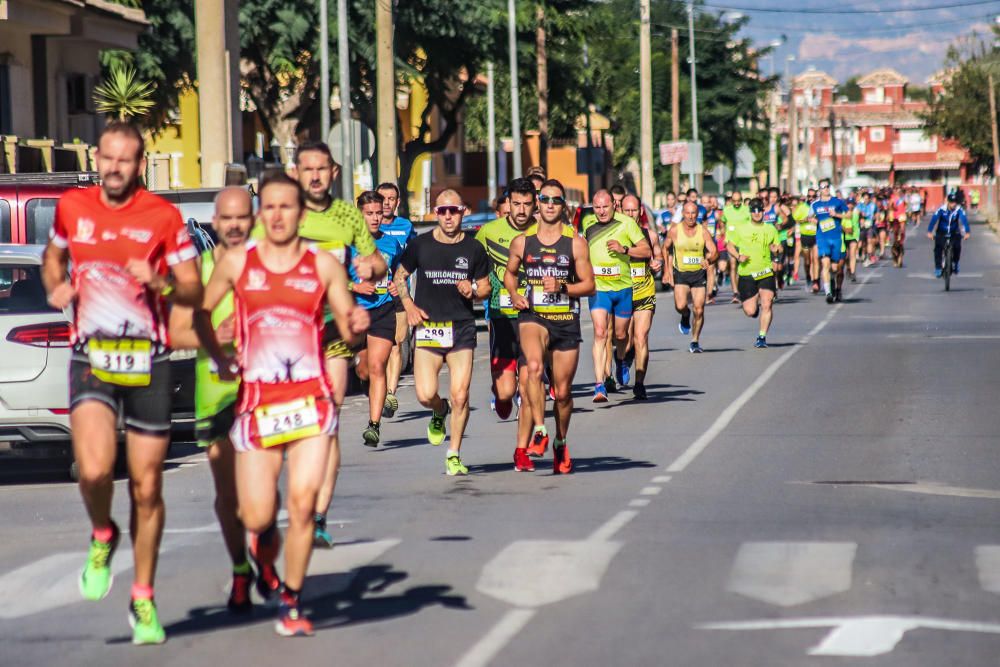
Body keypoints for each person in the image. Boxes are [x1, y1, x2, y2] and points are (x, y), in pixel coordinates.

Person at [42, 121, 203, 644]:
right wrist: (56, 286)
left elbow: (193, 289)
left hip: (148, 361)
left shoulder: (163, 216)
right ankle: (103, 533)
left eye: (125, 160)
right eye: (107, 158)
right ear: (99, 159)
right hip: (91, 354)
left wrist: (155, 280)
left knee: (148, 485)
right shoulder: (73, 206)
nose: (114, 168)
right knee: (92, 470)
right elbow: (53, 257)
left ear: (140, 163)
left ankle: (143, 596)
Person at [196, 172, 368, 637]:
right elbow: (200, 314)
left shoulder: (323, 265)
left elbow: (348, 327)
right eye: (268, 207)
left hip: (310, 402)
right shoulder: (237, 263)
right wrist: (221, 356)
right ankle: (265, 543)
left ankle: (291, 599)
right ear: (260, 214)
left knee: (303, 502)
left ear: (301, 213)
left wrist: (356, 322)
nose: (276, 215)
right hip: (258, 406)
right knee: (256, 514)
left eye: (285, 207)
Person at [168, 187, 275, 615]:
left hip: (265, 391)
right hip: (217, 393)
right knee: (228, 494)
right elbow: (176, 332)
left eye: (241, 217)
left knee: (263, 490)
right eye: (225, 218)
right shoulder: (201, 272)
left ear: (253, 221)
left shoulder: (271, 266)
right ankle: (240, 569)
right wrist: (217, 336)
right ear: (215, 222)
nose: (233, 225)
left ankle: (263, 556)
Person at [278, 141, 387, 548]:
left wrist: (369, 265)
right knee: (292, 426)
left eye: (323, 168)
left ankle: (318, 516)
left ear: (334, 172)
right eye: (308, 169)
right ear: (296, 173)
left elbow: (377, 261)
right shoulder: (282, 213)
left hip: (332, 330)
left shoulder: (346, 216)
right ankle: (298, 498)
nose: (316, 176)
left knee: (327, 422)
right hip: (288, 332)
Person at [393, 190, 491, 475]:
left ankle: (454, 453)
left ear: (464, 211)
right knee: (425, 394)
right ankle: (438, 410)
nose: (448, 216)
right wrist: (409, 305)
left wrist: (472, 290)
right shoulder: (420, 245)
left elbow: (485, 288)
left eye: (454, 210)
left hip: (460, 328)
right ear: (435, 213)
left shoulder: (474, 249)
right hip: (428, 328)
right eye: (442, 211)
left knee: (461, 395)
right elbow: (400, 277)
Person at [506, 179, 595, 473]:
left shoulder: (575, 243)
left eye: (556, 200)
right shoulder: (522, 242)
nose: (549, 204)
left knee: (564, 392)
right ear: (538, 203)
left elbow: (590, 285)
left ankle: (560, 441)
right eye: (544, 199)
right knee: (532, 367)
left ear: (563, 206)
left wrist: (563, 286)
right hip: (533, 317)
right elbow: (510, 273)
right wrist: (515, 294)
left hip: (565, 321)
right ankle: (541, 430)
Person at [475, 177, 537, 420]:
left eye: (527, 204)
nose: (521, 210)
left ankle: (528, 439)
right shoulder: (489, 232)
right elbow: (473, 262)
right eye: (516, 203)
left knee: (529, 384)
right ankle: (501, 392)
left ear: (535, 205)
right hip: (502, 317)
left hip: (536, 316)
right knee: (505, 391)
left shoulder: (544, 230)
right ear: (507, 203)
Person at [581, 190, 651, 402]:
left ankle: (620, 360)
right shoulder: (587, 223)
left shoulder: (627, 223)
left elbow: (646, 251)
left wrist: (625, 249)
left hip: (623, 288)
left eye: (605, 206)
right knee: (600, 332)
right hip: (599, 288)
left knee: (621, 336)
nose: (601, 211)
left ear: (614, 205)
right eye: (597, 207)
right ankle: (599, 384)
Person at [353, 191, 405, 447]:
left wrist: (396, 287)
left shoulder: (390, 244)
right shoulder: (346, 244)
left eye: (378, 213)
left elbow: (397, 274)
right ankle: (374, 392)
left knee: (377, 366)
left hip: (384, 310)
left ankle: (374, 426)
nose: (375, 218)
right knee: (363, 369)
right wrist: (356, 288)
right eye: (369, 213)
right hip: (355, 311)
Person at [376, 182, 416, 421]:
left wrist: (402, 279)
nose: (388, 203)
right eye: (384, 198)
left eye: (392, 198)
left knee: (396, 343)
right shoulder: (368, 226)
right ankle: (379, 386)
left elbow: (413, 257)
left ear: (398, 202)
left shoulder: (406, 226)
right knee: (379, 346)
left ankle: (390, 393)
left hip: (399, 293)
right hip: (374, 296)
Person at [621, 194, 663, 400]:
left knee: (641, 337)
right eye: (626, 210)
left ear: (640, 212)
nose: (630, 214)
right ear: (620, 211)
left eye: (634, 210)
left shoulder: (651, 236)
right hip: (622, 293)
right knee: (625, 341)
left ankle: (639, 383)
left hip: (645, 292)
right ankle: (623, 356)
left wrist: (657, 264)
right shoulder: (615, 236)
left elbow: (658, 258)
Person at [664, 201, 718, 353]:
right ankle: (685, 315)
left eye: (693, 213)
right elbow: (665, 248)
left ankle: (695, 340)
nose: (690, 216)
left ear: (697, 214)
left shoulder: (703, 231)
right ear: (682, 214)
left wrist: (709, 260)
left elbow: (714, 252)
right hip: (680, 273)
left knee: (699, 309)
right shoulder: (675, 231)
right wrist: (667, 271)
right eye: (687, 213)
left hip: (698, 274)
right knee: (680, 306)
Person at [727, 198, 781, 348]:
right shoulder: (741, 228)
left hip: (765, 271)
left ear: (763, 211)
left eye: (759, 210)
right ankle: (754, 308)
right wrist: (738, 256)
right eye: (754, 211)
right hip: (747, 273)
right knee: (750, 311)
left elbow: (778, 246)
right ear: (750, 212)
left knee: (767, 303)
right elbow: (729, 245)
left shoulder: (770, 229)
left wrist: (776, 250)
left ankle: (762, 336)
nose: (757, 214)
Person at [809, 180, 850, 304]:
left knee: (835, 268)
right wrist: (814, 221)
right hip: (822, 238)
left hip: (836, 237)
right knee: (825, 264)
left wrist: (837, 215)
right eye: (823, 187)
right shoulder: (815, 204)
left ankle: (833, 283)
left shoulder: (837, 202)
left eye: (827, 186)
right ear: (819, 190)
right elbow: (809, 216)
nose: (826, 189)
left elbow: (848, 214)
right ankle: (828, 293)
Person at [927, 193, 971, 277]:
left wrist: (967, 232)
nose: (953, 204)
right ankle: (938, 268)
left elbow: (964, 220)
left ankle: (955, 263)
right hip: (942, 231)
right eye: (951, 202)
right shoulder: (941, 209)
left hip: (954, 231)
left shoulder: (959, 210)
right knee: (938, 248)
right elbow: (934, 219)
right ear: (948, 202)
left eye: (954, 202)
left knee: (957, 246)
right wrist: (929, 231)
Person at [721, 191, 751, 303]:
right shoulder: (727, 210)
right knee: (733, 265)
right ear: (731, 201)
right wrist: (724, 235)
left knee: (741, 268)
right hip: (731, 242)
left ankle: (741, 289)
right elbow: (722, 221)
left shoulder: (747, 210)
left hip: (744, 242)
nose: (737, 203)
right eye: (735, 201)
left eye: (739, 201)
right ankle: (735, 292)